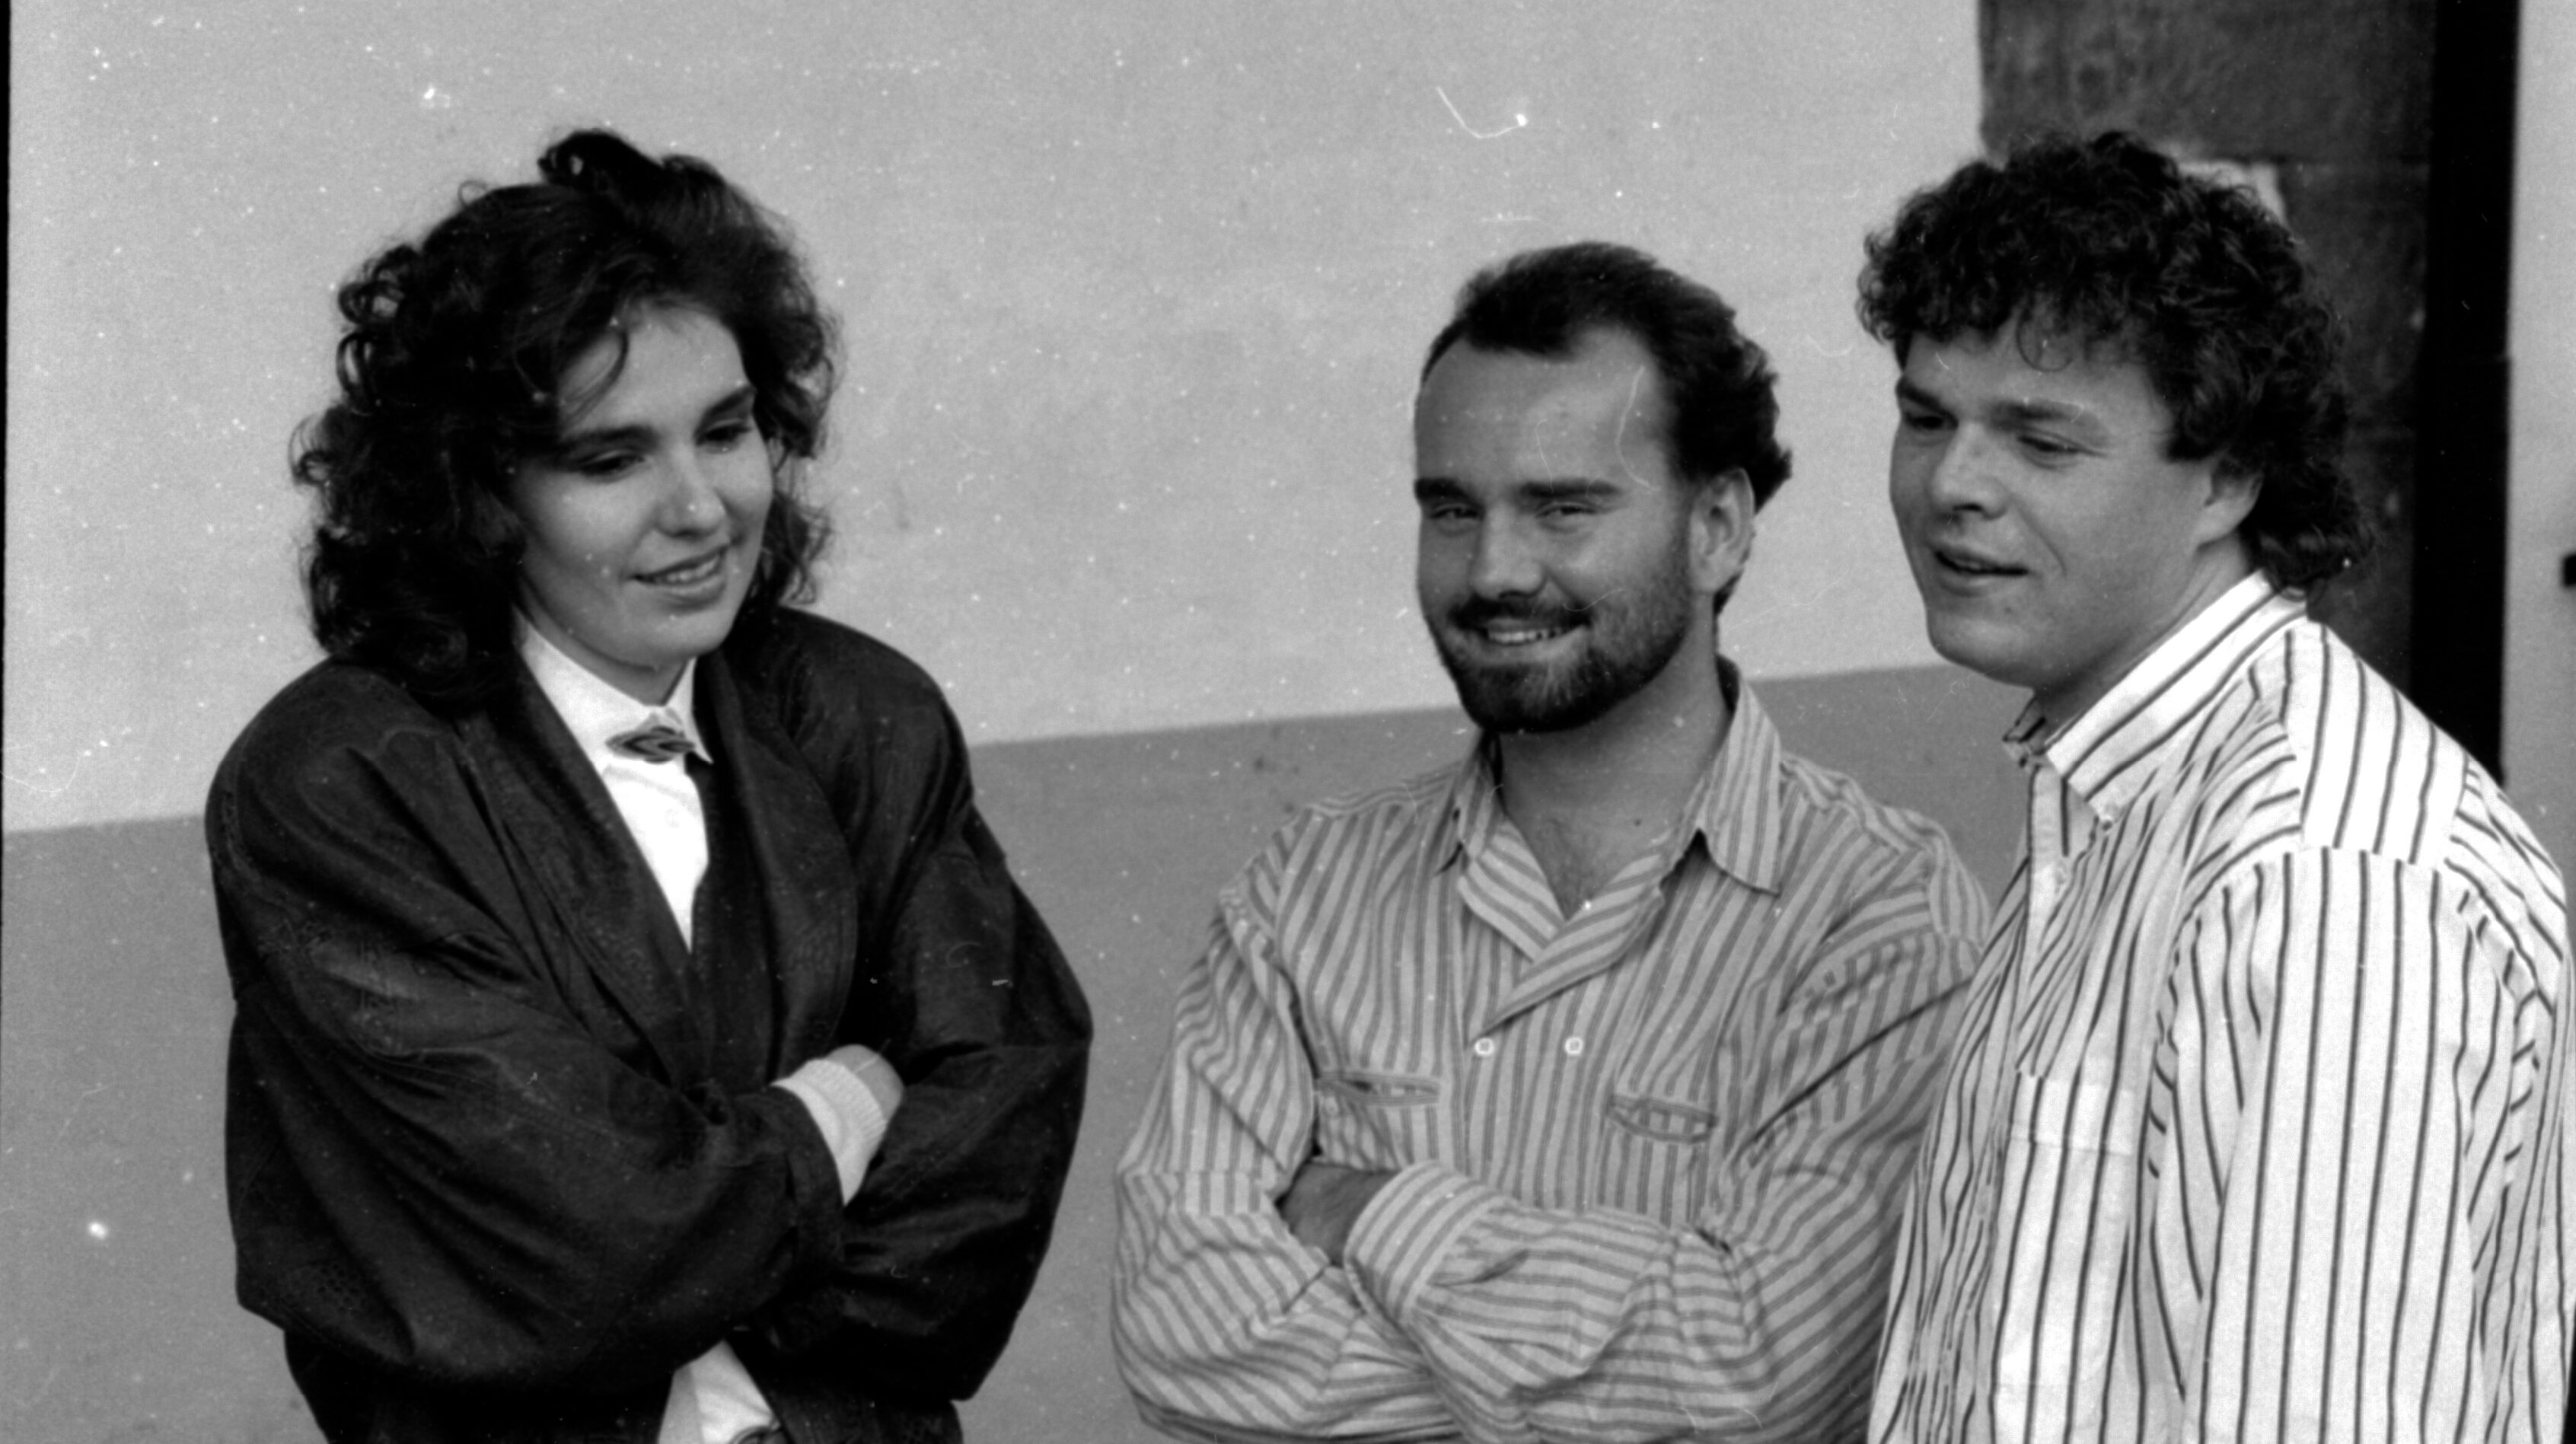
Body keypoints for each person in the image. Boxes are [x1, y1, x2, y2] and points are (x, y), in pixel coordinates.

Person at [207, 129, 1092, 1444]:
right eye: (611, 459)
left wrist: (700, 1242)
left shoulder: (865, 714)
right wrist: (844, 1105)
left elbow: (988, 1175)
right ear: (480, 492)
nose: (701, 508)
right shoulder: (342, 779)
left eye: (725, 432)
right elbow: (597, 1251)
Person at [1113, 242, 1989, 1442]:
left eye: (1564, 508)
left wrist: (1369, 1211)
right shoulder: (1305, 890)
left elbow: (1764, 1384)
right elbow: (1180, 1335)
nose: (1493, 569)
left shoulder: (1882, 913)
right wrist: (1612, 1377)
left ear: (1718, 527)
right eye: (1451, 510)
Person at [1857, 129, 2569, 1442]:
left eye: (2041, 440)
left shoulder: (2314, 874)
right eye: (1927, 418)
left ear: (2229, 479)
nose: (1953, 485)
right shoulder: (2121, 795)